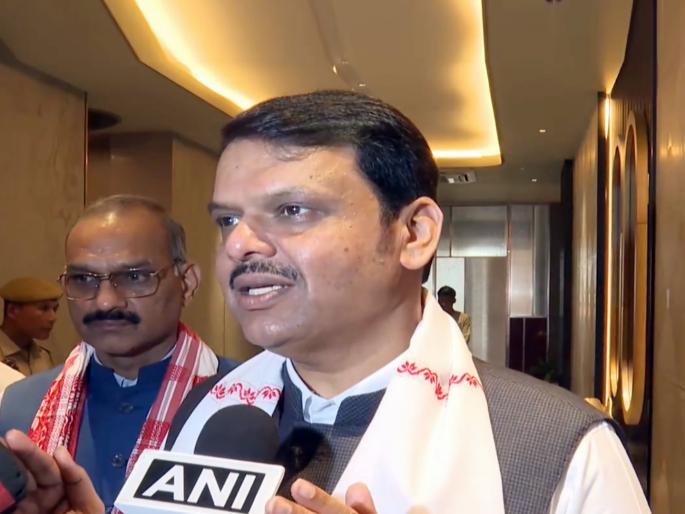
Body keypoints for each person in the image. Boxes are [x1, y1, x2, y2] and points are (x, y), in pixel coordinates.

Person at [8, 91, 650, 514]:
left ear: (413, 233)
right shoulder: (211, 415)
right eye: (228, 220)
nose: (241, 245)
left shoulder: (552, 446)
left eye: (292, 210)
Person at [0, 195, 237, 512]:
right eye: (83, 279)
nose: (105, 301)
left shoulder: (249, 402)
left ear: (187, 282)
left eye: (134, 276)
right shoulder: (20, 406)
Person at [0, 276, 61, 375]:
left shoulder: (43, 356)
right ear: (12, 311)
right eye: (44, 308)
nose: (53, 318)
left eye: (54, 309)